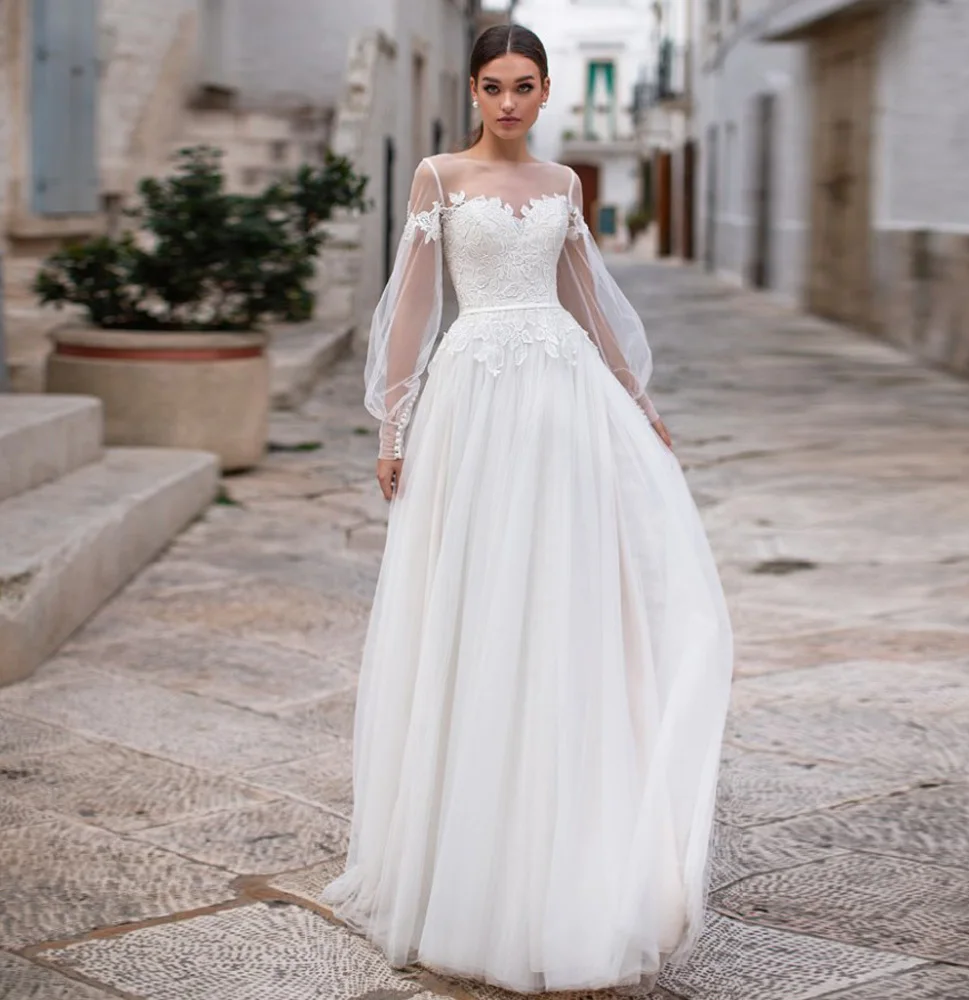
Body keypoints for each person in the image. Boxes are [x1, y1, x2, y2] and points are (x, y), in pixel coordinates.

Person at [320, 23, 733, 995]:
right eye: (494, 86)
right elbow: (413, 303)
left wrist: (639, 400)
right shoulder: (436, 176)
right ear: (472, 90)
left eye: (525, 86)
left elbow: (589, 296)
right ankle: (464, 835)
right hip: (473, 397)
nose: (509, 101)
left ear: (545, 93)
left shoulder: (562, 186)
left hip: (559, 393)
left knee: (566, 587)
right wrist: (394, 425)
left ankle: (567, 809)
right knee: (473, 591)